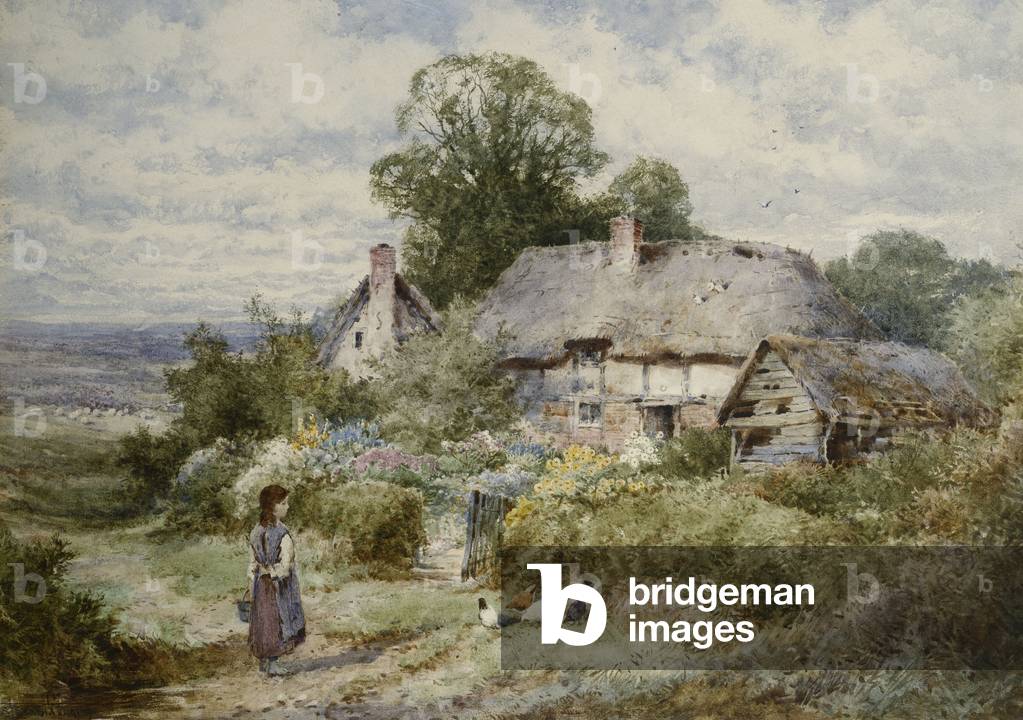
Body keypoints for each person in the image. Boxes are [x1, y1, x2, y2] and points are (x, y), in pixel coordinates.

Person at [247, 484, 306, 676]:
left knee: (264, 620)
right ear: (273, 506)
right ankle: (272, 663)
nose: (287, 506)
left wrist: (256, 575)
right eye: (284, 503)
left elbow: (252, 562)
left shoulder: (256, 530)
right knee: (277, 620)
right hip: (278, 585)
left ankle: (265, 662)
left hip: (261, 585)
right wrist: (275, 572)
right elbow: (286, 563)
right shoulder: (282, 533)